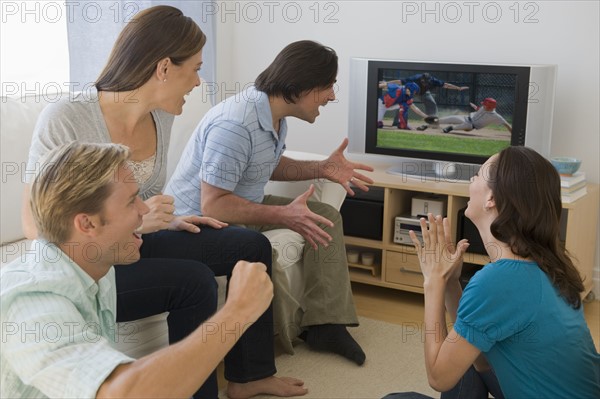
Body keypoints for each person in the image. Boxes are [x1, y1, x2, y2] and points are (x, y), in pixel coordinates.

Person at [20, 6, 306, 398]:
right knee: (194, 281)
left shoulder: (161, 116)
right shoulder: (66, 118)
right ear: (164, 68)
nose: (198, 82)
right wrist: (138, 222)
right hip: (88, 261)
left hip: (131, 239)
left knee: (250, 245)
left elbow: (141, 201)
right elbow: (37, 226)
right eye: (195, 68)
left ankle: (248, 376)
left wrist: (171, 220)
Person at [1, 142, 276, 399]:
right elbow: (120, 392)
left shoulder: (94, 266)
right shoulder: (32, 305)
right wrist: (237, 311)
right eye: (132, 201)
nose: (145, 209)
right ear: (87, 224)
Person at [165, 40, 375, 366]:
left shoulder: (275, 115)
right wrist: (284, 213)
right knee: (293, 222)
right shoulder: (236, 124)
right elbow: (213, 205)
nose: (332, 96)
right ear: (300, 86)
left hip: (240, 204)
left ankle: (326, 325)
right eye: (328, 86)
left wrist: (322, 168)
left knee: (324, 216)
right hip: (198, 223)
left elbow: (268, 164)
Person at [407, 146, 600, 397]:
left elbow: (438, 377)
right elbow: (484, 361)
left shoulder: (499, 281)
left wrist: (433, 282)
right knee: (462, 356)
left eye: (477, 174)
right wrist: (452, 283)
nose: (471, 180)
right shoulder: (549, 264)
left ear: (492, 199)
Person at [403, 72, 469, 117]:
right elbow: (401, 81)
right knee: (402, 103)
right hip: (412, 91)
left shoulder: (433, 80)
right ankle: (397, 122)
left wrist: (458, 88)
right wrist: (392, 83)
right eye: (423, 81)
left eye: (426, 82)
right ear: (421, 79)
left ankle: (433, 121)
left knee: (432, 103)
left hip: (424, 93)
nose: (425, 83)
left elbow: (446, 85)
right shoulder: (416, 78)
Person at [435, 98, 512, 134]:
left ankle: (451, 128)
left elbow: (507, 124)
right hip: (466, 118)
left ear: (489, 107)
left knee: (468, 125)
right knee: (451, 118)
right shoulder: (484, 108)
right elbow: (479, 109)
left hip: (471, 125)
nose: (483, 105)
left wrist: (514, 136)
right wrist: (475, 107)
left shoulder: (495, 116)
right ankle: (434, 121)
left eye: (485, 104)